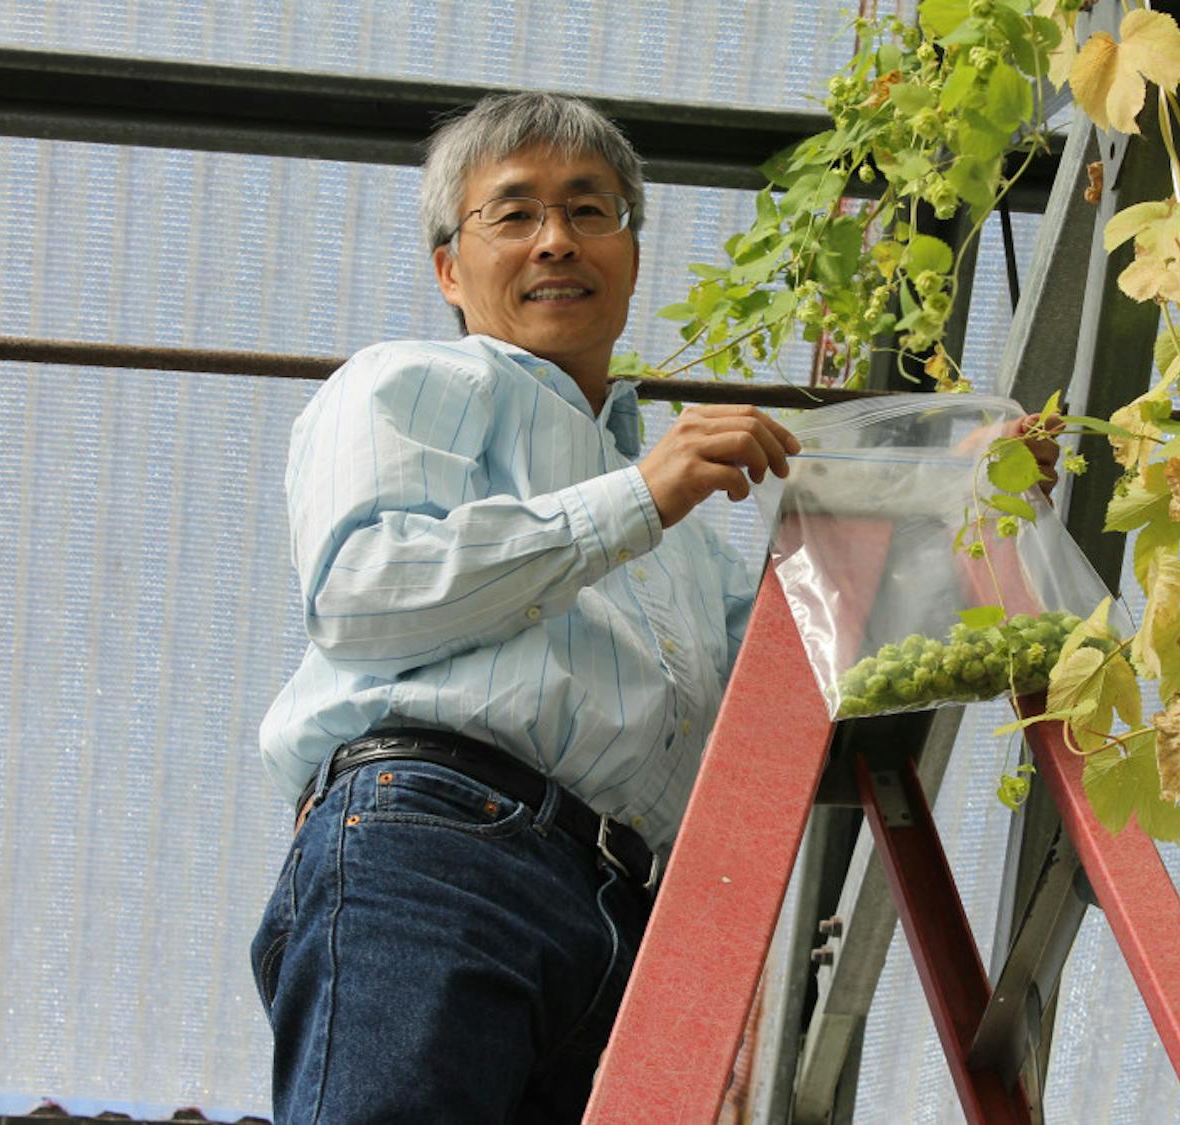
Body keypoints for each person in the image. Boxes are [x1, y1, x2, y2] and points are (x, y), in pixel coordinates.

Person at [250, 91, 1055, 1124]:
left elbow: (807, 689)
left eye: (590, 211)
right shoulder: (409, 382)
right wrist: (640, 498)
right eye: (515, 213)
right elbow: (368, 590)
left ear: (631, 256)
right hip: (436, 842)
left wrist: (965, 503)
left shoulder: (676, 542)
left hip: (620, 911)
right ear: (450, 267)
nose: (556, 241)